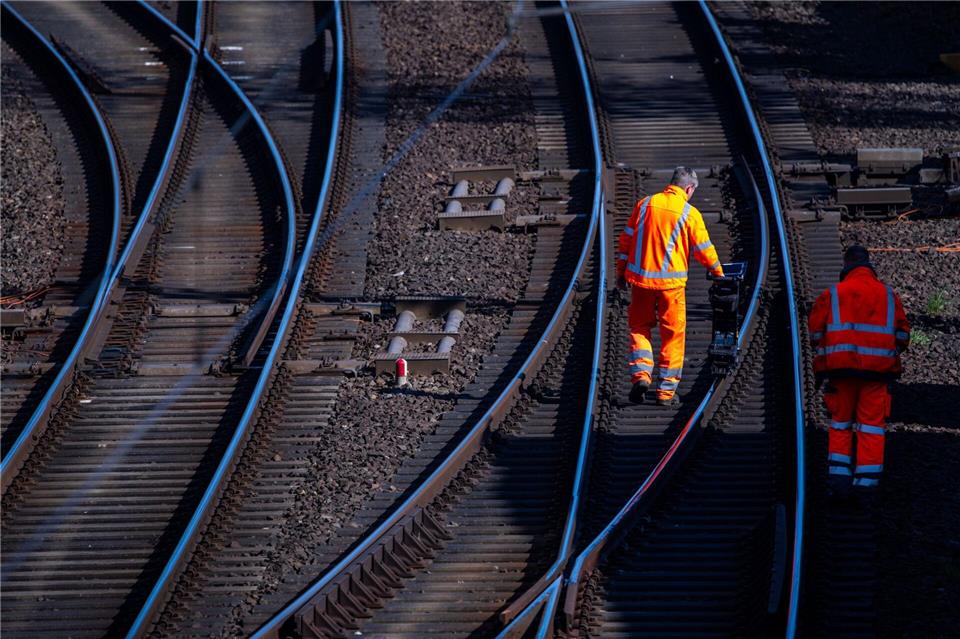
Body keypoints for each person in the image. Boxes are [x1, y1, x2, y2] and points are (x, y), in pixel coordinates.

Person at [808, 245, 910, 499]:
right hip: (876, 375)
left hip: (841, 373)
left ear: (846, 266)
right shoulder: (888, 295)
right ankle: (866, 483)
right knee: (872, 427)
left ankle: (839, 478)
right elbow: (902, 336)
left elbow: (815, 335)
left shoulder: (833, 294)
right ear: (869, 265)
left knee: (840, 424)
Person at [615, 167, 724, 406]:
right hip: (671, 288)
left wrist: (620, 273)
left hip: (641, 282)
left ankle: (641, 376)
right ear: (689, 188)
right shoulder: (689, 213)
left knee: (639, 328)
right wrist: (718, 273)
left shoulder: (645, 204)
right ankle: (665, 393)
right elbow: (704, 249)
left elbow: (626, 240)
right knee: (672, 335)